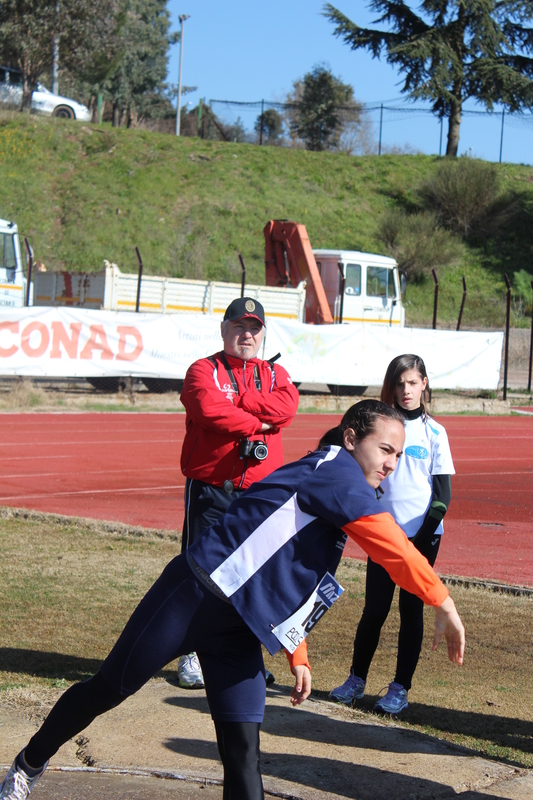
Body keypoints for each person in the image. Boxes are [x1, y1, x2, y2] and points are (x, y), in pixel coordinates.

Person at [0, 400, 465, 800]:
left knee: (244, 753)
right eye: (385, 449)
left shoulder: (339, 489)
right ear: (350, 439)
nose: (391, 463)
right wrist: (441, 599)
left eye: (400, 455)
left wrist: (296, 651)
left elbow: (301, 577)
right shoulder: (335, 471)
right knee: (108, 689)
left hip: (240, 627)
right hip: (194, 595)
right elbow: (393, 546)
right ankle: (29, 763)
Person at [177, 296, 299, 688]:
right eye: (239, 327)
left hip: (259, 493)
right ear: (224, 329)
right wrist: (259, 424)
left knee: (252, 575)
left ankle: (242, 658)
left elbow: (287, 408)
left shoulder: (275, 374)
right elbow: (207, 410)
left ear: (262, 333)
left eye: (254, 328)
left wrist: (243, 401)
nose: (247, 335)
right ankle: (191, 655)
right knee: (200, 572)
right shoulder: (203, 369)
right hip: (212, 490)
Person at [329, 355, 455, 715]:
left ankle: (400, 688)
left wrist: (416, 541)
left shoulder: (435, 433)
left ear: (424, 384)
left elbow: (443, 495)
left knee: (411, 610)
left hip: (422, 538)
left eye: (413, 383)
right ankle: (356, 680)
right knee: (374, 609)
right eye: (399, 384)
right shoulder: (384, 427)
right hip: (383, 536)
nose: (406, 390)